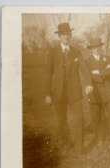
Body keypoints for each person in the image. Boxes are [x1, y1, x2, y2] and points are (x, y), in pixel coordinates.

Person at [44, 23, 93, 154]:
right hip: (58, 92)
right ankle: (66, 145)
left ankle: (79, 149)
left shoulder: (76, 51)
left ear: (70, 35)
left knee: (79, 119)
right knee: (62, 121)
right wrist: (48, 93)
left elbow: (83, 68)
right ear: (59, 36)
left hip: (75, 92)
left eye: (68, 33)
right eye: (63, 34)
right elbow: (48, 73)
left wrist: (88, 83)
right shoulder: (53, 52)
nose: (66, 36)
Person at [84, 38, 110, 144]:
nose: (96, 49)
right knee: (97, 118)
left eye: (98, 47)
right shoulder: (87, 62)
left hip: (109, 92)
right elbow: (88, 76)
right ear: (91, 49)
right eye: (94, 48)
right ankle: (100, 139)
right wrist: (104, 73)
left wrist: (99, 73)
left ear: (101, 47)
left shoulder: (107, 58)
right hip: (95, 94)